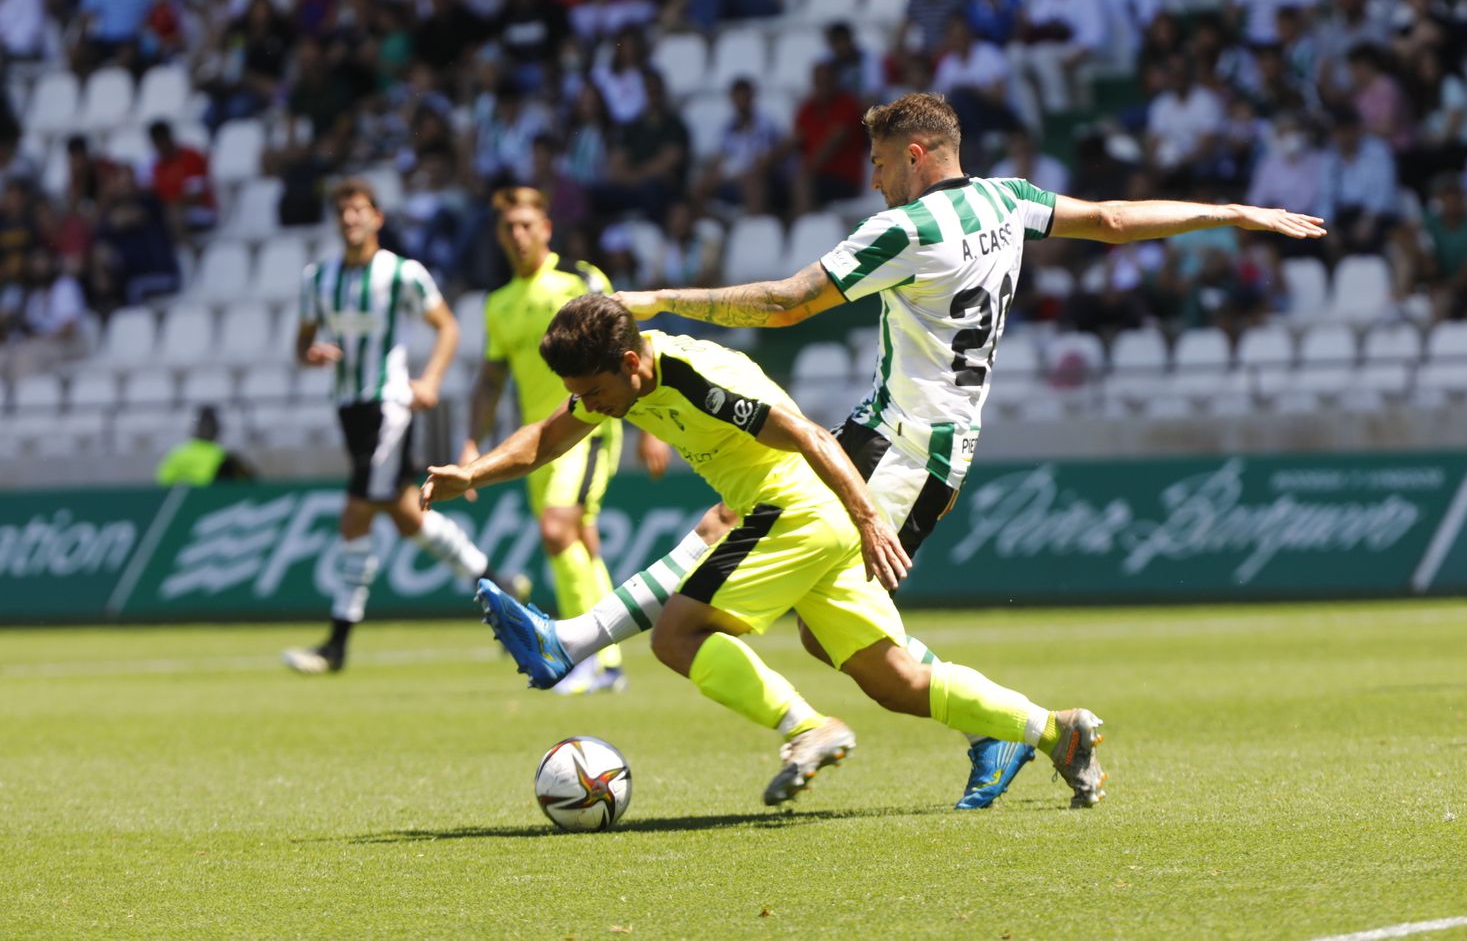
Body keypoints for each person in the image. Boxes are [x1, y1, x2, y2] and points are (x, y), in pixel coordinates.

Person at [456, 93, 1325, 809]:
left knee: (732, 539)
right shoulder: (1007, 199)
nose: (873, 187)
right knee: (873, 666)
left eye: (876, 167)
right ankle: (1047, 729)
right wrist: (1229, 211)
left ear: (915, 154)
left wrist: (661, 299)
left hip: (899, 446)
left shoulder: (903, 230)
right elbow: (1111, 217)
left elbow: (788, 302)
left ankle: (577, 639)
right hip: (925, 441)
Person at [422, 295, 1110, 809]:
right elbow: (546, 438)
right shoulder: (619, 384)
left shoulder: (695, 376)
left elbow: (810, 435)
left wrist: (869, 518)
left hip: (799, 512)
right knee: (894, 680)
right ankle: (1055, 731)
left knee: (676, 636)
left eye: (595, 393)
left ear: (630, 364)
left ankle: (808, 727)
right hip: (807, 520)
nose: (590, 407)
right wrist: (472, 474)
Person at [282, 178, 524, 675]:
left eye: (359, 210)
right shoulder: (319, 278)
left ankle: (337, 645)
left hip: (389, 408)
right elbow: (301, 344)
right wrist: (311, 355)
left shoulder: (401, 274)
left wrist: (430, 379)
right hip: (348, 409)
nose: (351, 219)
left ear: (377, 217)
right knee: (410, 518)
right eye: (344, 212)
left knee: (355, 515)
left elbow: (448, 328)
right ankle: (500, 588)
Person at [462, 185, 669, 694]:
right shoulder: (499, 305)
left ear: (546, 229)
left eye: (527, 224)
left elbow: (629, 347)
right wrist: (472, 441)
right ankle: (609, 664)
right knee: (579, 542)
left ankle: (587, 658)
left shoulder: (579, 279)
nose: (518, 234)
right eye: (509, 227)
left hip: (590, 425)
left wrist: (650, 425)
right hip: (539, 441)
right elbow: (490, 379)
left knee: (559, 529)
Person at [156, 406, 256, 486]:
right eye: (204, 425)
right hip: (195, 503)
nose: (207, 429)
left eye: (211, 425)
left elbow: (249, 483)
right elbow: (163, 484)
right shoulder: (178, 453)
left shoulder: (226, 457)